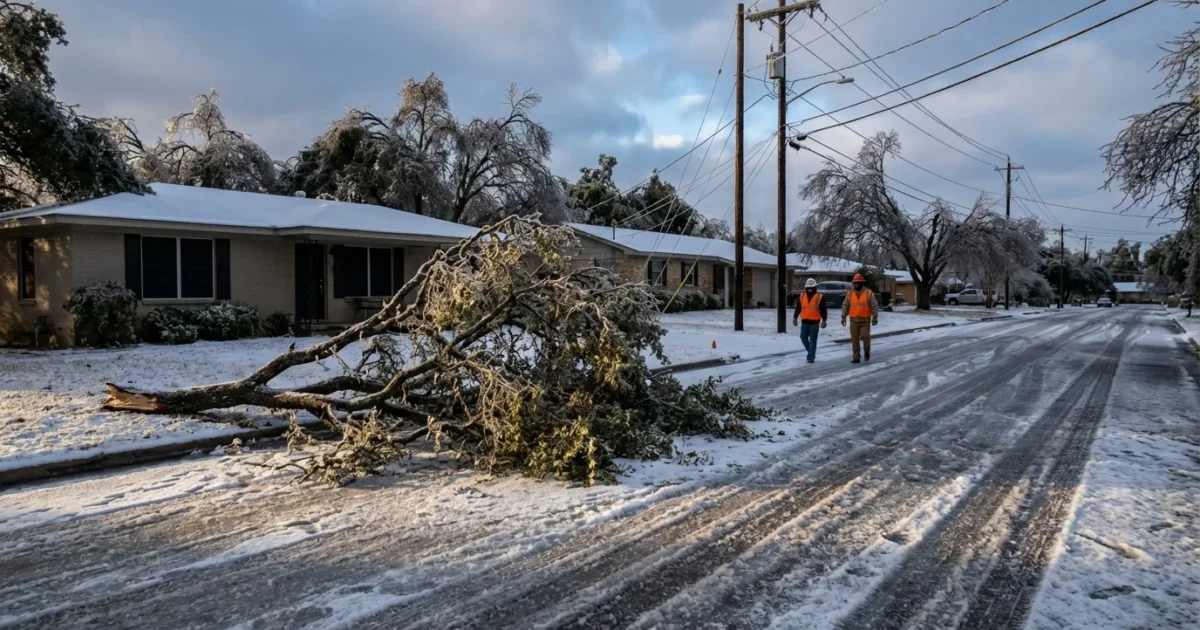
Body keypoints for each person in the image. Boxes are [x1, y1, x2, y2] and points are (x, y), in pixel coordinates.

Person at [841, 273, 879, 364]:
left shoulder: (869, 293)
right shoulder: (850, 294)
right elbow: (845, 305)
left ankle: (866, 351)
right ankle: (856, 357)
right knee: (854, 339)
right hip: (853, 320)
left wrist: (875, 317)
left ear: (862, 283)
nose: (856, 284)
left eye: (858, 283)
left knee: (865, 336)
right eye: (855, 283)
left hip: (865, 320)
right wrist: (843, 317)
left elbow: (874, 305)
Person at [792, 278, 828, 363]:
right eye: (808, 288)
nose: (809, 289)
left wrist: (824, 320)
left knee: (813, 340)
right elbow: (798, 308)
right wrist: (795, 317)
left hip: (815, 322)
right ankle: (811, 352)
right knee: (803, 337)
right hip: (805, 321)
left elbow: (823, 310)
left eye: (811, 288)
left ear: (815, 288)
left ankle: (811, 357)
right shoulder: (802, 296)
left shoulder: (819, 297)